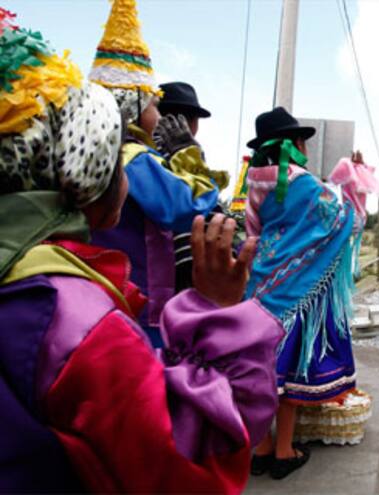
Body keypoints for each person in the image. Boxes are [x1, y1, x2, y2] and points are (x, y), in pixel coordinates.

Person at [0, 13, 282, 492]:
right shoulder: (72, 325)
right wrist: (218, 311)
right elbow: (188, 203)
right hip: (136, 308)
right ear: (85, 173)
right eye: (153, 103)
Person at [88, 0, 224, 347]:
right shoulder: (133, 156)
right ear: (132, 108)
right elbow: (191, 207)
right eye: (153, 105)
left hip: (102, 292)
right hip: (138, 298)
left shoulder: (97, 153)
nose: (158, 114)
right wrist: (187, 153)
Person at [244, 107, 360, 479]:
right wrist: (354, 183)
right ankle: (283, 452)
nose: (306, 149)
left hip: (261, 285)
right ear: (293, 144)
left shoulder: (254, 179)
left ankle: (260, 448)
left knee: (261, 370)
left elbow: (252, 233)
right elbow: (345, 221)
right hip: (296, 288)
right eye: (302, 142)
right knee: (288, 373)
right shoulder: (303, 181)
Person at [156, 81, 229, 293]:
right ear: (192, 122)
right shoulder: (187, 151)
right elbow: (204, 198)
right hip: (189, 257)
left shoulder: (143, 149)